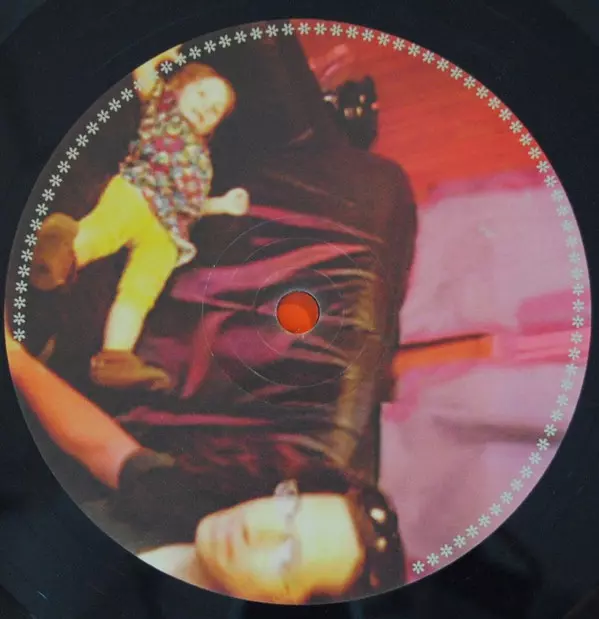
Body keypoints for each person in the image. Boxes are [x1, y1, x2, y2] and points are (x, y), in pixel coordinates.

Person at [5, 329, 405, 604]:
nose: (255, 528)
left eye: (287, 554)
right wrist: (16, 358)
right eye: (289, 503)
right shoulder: (194, 507)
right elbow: (106, 450)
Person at [29, 44, 250, 392]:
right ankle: (56, 256)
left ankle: (115, 357)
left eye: (214, 110)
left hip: (169, 232)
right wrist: (158, 56)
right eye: (202, 94)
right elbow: (144, 76)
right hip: (137, 193)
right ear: (179, 87)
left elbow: (192, 204)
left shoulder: (203, 160)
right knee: (104, 232)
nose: (206, 107)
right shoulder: (165, 110)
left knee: (140, 291)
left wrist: (222, 204)